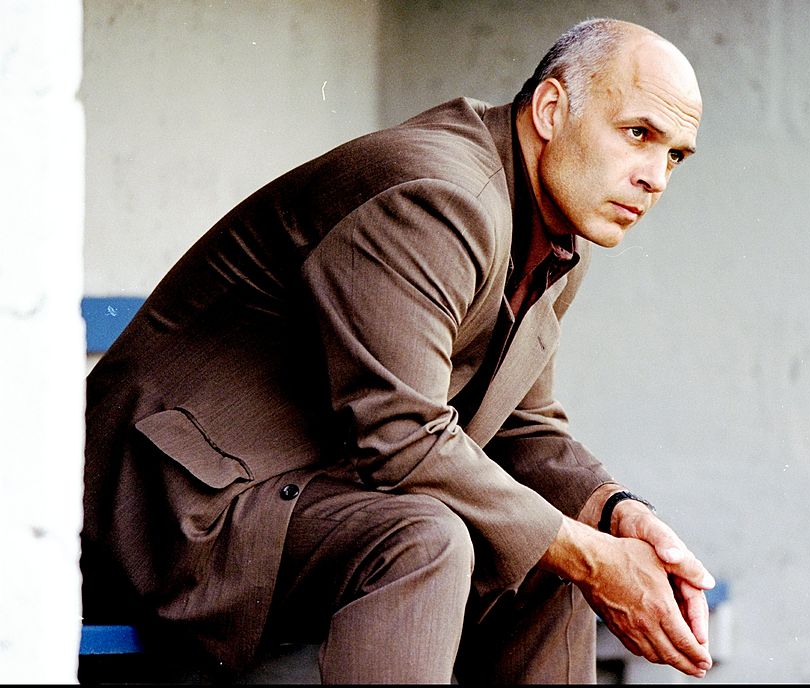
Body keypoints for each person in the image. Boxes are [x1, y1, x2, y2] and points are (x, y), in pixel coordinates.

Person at [82, 16, 714, 684]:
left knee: (546, 554)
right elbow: (401, 436)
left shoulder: (555, 235)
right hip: (172, 509)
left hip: (298, 498)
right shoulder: (438, 195)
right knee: (428, 538)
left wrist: (618, 517)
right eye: (638, 134)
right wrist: (589, 556)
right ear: (553, 109)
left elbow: (523, 429)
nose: (655, 177)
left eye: (674, 155)